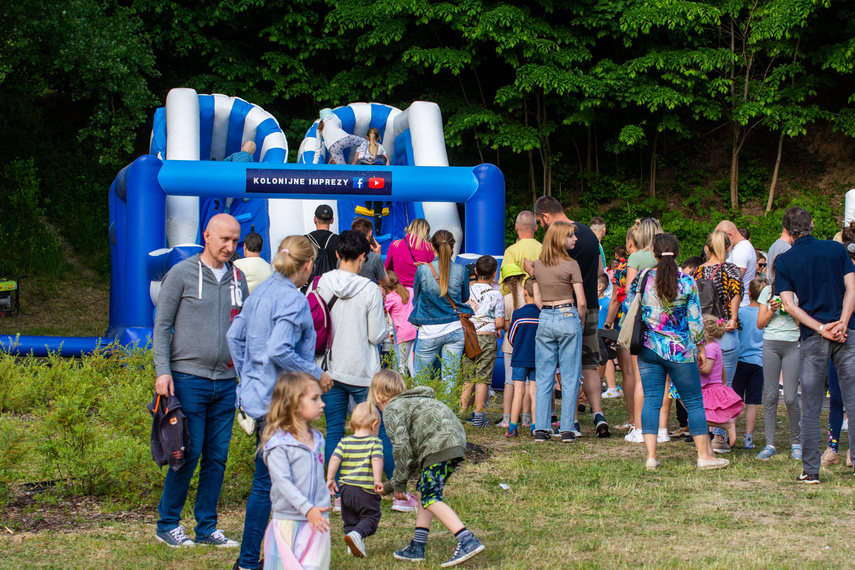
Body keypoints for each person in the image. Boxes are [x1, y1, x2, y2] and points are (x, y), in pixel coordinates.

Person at [227, 235, 334, 570]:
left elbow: (234, 336)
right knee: (272, 483)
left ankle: (271, 554)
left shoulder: (259, 293)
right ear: (306, 266)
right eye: (312, 266)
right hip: (283, 402)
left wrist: (248, 379)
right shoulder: (292, 299)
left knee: (270, 481)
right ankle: (251, 561)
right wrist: (315, 372)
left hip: (258, 398)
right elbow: (278, 349)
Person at [153, 213, 249, 548]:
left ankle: (206, 527)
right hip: (187, 379)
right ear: (206, 235)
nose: (230, 246)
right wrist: (162, 370)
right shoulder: (180, 273)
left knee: (217, 455)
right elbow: (162, 327)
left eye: (235, 240)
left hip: (226, 381)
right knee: (186, 453)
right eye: (224, 239)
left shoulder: (239, 277)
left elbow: (244, 330)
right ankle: (168, 523)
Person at [623, 233, 729, 471]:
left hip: (649, 348)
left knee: (651, 400)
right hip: (681, 351)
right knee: (693, 401)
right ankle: (704, 456)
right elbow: (695, 321)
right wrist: (701, 348)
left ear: (654, 254)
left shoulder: (643, 278)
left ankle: (651, 456)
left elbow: (628, 307)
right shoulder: (687, 282)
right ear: (678, 253)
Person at [369, 370, 485, 567]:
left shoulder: (392, 409)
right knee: (425, 490)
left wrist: (399, 483)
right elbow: (413, 456)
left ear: (378, 396)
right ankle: (418, 545)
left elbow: (402, 449)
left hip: (438, 445)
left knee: (431, 497)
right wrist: (391, 486)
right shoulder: (414, 402)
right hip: (453, 442)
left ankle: (466, 540)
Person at [775, 206, 855, 484]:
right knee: (853, 399)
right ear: (812, 223)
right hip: (847, 332)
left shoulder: (785, 261)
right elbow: (852, 289)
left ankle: (811, 470)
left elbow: (788, 305)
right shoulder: (837, 250)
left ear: (787, 230)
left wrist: (821, 328)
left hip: (814, 337)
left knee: (810, 403)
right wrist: (843, 322)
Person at [531, 196, 611, 437]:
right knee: (587, 363)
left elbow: (537, 294)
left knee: (555, 370)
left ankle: (569, 422)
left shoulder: (544, 259)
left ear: (545, 217)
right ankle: (598, 414)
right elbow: (599, 271)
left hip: (556, 311)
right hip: (588, 309)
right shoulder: (588, 233)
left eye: (540, 222)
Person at [314, 230, 388, 480]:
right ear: (363, 256)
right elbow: (376, 335)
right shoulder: (370, 290)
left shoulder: (321, 283)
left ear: (336, 253)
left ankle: (333, 484)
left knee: (334, 428)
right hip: (363, 370)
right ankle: (388, 485)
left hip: (329, 368)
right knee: (379, 427)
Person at [259, 372, 330, 569]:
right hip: (288, 521)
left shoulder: (318, 439)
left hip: (318, 520)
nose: (322, 403)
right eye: (315, 398)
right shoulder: (278, 446)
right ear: (294, 404)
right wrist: (307, 509)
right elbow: (283, 483)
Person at [529, 221, 587, 442]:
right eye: (571, 236)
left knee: (544, 375)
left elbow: (537, 298)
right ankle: (567, 429)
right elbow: (581, 301)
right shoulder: (571, 264)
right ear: (561, 239)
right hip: (567, 315)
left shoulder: (539, 265)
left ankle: (542, 428)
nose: (575, 239)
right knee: (570, 375)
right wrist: (579, 322)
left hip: (545, 317)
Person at [619, 218, 665, 444]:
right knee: (662, 380)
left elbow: (629, 293)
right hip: (663, 323)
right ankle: (662, 428)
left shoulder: (636, 258)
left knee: (640, 378)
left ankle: (639, 427)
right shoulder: (666, 258)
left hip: (642, 323)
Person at [409, 230, 472, 392]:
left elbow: (416, 299)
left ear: (432, 247)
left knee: (420, 381)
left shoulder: (422, 271)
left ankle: (421, 415)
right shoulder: (461, 270)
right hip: (454, 329)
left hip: (429, 331)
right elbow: (464, 298)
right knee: (450, 381)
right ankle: (447, 415)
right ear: (452, 247)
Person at [756, 258, 801, 462]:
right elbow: (760, 324)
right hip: (771, 344)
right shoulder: (767, 292)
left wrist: (791, 310)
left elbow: (804, 322)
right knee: (771, 395)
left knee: (791, 397)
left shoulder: (801, 291)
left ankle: (796, 443)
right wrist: (772, 309)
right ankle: (769, 444)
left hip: (793, 344)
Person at [325, 402, 384, 558]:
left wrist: (330, 478)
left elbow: (335, 458)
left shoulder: (344, 441)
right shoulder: (374, 442)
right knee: (371, 517)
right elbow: (377, 460)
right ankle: (357, 536)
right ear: (374, 425)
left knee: (350, 519)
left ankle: (353, 546)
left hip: (345, 490)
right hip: (364, 489)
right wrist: (377, 480)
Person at [460, 255, 504, 427]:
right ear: (495, 274)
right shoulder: (496, 294)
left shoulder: (467, 291)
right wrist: (496, 327)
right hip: (487, 337)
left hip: (469, 336)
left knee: (468, 377)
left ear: (476, 271)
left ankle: (461, 414)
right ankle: (479, 416)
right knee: (483, 379)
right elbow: (500, 323)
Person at [699, 316, 744, 452]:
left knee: (697, 415)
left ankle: (727, 425)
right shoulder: (715, 346)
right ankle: (706, 446)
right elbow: (722, 365)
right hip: (712, 386)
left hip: (709, 388)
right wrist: (724, 382)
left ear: (705, 333)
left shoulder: (710, 349)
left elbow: (707, 370)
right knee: (702, 415)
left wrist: (694, 368)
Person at [732, 277, 766, 450]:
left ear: (749, 293)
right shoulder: (767, 315)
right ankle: (748, 437)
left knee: (735, 400)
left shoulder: (741, 312)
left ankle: (730, 433)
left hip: (740, 361)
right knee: (753, 402)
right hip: (759, 362)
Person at [506, 277, 540, 438]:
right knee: (534, 392)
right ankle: (535, 426)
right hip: (538, 358)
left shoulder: (518, 314)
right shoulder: (543, 314)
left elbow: (511, 337)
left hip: (519, 357)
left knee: (518, 391)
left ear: (525, 293)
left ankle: (512, 427)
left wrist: (518, 347)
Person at [499, 263, 529, 428]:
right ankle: (526, 419)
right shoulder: (528, 296)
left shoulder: (505, 299)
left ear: (505, 283)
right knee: (526, 383)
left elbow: (504, 326)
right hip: (528, 346)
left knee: (509, 382)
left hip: (510, 345)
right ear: (522, 278)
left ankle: (506, 418)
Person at [382, 270, 417, 377]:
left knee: (402, 363)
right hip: (415, 330)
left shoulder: (389, 298)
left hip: (403, 333)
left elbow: (382, 313)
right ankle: (416, 384)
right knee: (412, 363)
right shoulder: (410, 290)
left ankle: (401, 387)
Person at [384, 218, 435, 288]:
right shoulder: (430, 248)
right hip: (421, 291)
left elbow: (387, 269)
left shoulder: (395, 245)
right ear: (426, 233)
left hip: (401, 291)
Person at [716, 220, 756, 307]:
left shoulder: (741, 250)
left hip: (740, 304)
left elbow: (735, 279)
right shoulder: (738, 248)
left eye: (722, 238)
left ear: (730, 235)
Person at [501, 210, 542, 295]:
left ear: (516, 226)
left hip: (518, 300)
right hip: (541, 297)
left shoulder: (511, 251)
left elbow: (505, 285)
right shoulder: (545, 249)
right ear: (536, 227)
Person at [304, 204, 340, 290]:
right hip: (332, 289)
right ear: (332, 220)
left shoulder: (304, 240)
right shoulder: (338, 240)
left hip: (309, 288)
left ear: (315, 219)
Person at [351, 217, 388, 286]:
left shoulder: (342, 257)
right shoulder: (374, 258)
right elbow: (385, 283)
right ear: (370, 233)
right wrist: (378, 256)